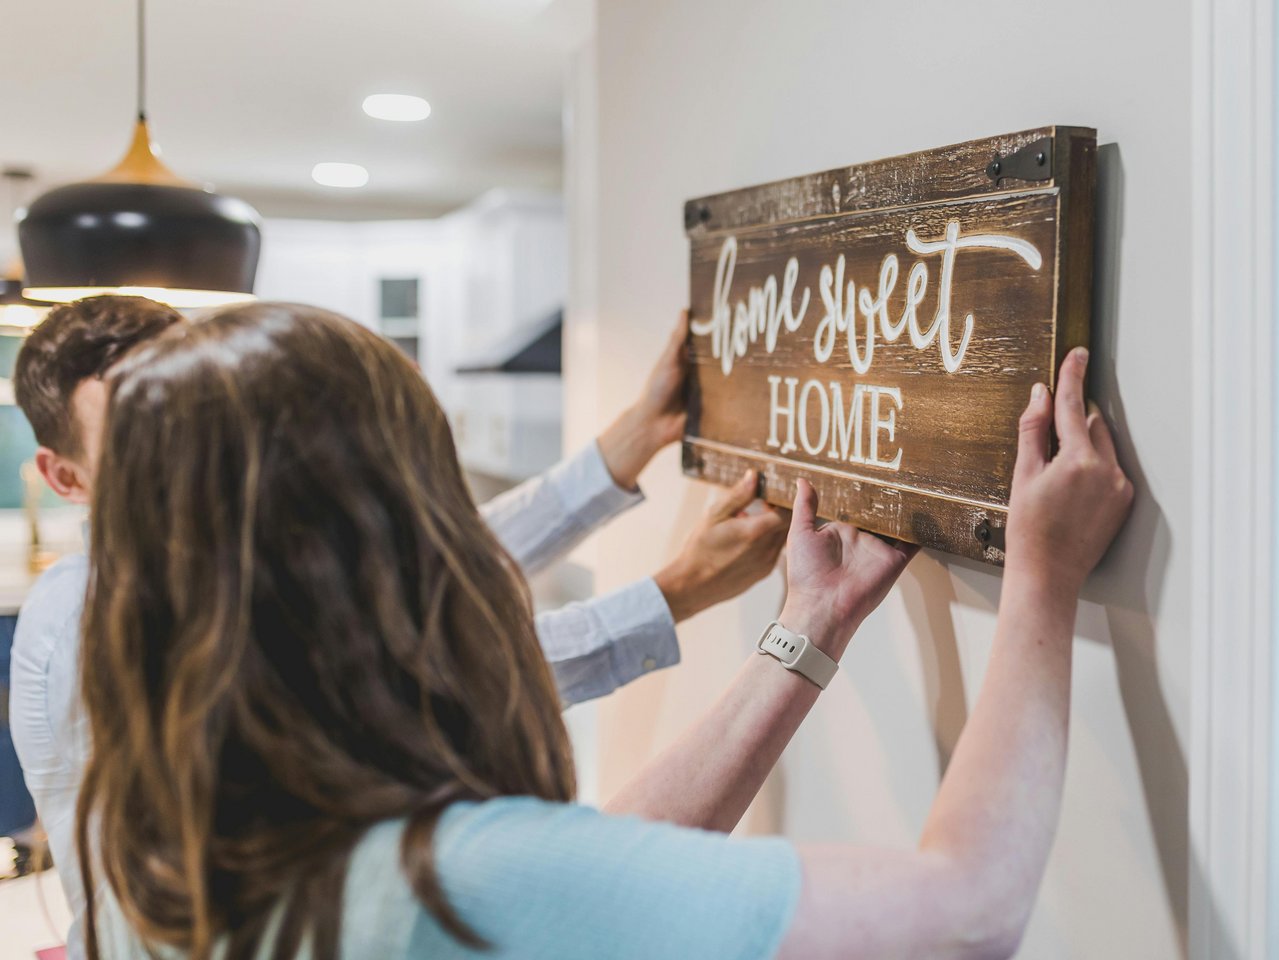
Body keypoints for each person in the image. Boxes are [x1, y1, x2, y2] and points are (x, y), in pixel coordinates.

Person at [80, 302, 1131, 959]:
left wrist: (805, 632)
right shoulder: (450, 883)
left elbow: (589, 880)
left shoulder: (151, 839)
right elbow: (964, 914)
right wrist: (1041, 577)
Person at [8, 296, 785, 954]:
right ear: (65, 477)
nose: (212, 453)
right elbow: (402, 675)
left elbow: (414, 561)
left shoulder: (209, 557)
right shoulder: (98, 614)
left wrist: (635, 436)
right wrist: (674, 593)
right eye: (155, 437)